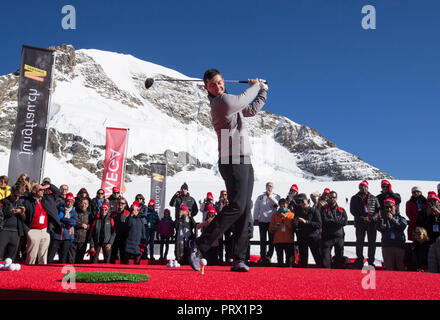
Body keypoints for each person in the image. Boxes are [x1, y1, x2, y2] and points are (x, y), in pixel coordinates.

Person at [189, 69, 268, 273]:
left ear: (223, 81)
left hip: (243, 158)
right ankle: (199, 246)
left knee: (244, 208)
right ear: (207, 88)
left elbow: (250, 110)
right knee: (237, 205)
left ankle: (239, 259)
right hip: (231, 158)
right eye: (212, 85)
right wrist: (256, 85)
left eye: (219, 82)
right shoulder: (221, 103)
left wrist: (263, 92)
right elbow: (242, 99)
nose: (218, 87)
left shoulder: (231, 105)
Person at [22, 182, 61, 264]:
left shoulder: (47, 199)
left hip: (45, 231)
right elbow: (22, 218)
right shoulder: (28, 202)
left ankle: (41, 273)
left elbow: (57, 192)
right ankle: (28, 273)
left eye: (43, 189)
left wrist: (49, 186)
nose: (42, 191)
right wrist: (27, 231)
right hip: (33, 231)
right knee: (31, 256)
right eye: (40, 189)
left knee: (43, 256)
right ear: (34, 191)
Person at [350, 180, 380, 268]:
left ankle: (371, 261)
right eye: (361, 186)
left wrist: (371, 218)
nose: (363, 188)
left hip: (372, 223)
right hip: (360, 223)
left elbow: (378, 210)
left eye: (364, 186)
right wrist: (362, 218)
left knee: (372, 243)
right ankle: (360, 259)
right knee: (359, 241)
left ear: (367, 187)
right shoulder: (355, 198)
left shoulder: (374, 198)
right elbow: (353, 210)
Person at [376, 198, 407, 271]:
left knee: (401, 267)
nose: (389, 209)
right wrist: (380, 220)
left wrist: (392, 219)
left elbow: (402, 226)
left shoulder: (400, 218)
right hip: (387, 245)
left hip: (399, 246)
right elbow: (378, 228)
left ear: (395, 207)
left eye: (391, 207)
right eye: (387, 207)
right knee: (389, 268)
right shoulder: (383, 218)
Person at [293, 193, 322, 268]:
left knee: (317, 256)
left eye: (302, 201)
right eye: (299, 202)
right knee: (303, 259)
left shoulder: (314, 211)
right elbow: (295, 225)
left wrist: (306, 222)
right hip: (302, 237)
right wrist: (296, 223)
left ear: (307, 200)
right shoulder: (298, 211)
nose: (301, 204)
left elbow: (319, 224)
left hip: (313, 237)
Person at [253, 182, 280, 264]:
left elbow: (277, 205)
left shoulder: (276, 196)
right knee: (263, 240)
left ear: (273, 187)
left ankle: (269, 256)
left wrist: (270, 196)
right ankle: (262, 256)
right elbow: (256, 208)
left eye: (271, 186)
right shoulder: (260, 197)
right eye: (268, 186)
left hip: (272, 222)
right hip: (262, 221)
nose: (269, 187)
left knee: (272, 240)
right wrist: (255, 218)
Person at [48, 192, 78, 264]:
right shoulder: (60, 209)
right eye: (68, 202)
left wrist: (63, 220)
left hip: (67, 237)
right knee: (50, 255)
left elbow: (73, 222)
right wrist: (64, 221)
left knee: (63, 256)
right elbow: (58, 219)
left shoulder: (74, 212)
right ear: (65, 201)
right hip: (57, 235)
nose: (69, 204)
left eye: (71, 202)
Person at [321, 191, 347, 269]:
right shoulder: (323, 209)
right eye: (330, 197)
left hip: (338, 237)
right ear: (328, 198)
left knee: (339, 260)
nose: (332, 199)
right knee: (325, 261)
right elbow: (324, 221)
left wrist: (333, 221)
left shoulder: (341, 210)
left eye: (334, 197)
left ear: (337, 198)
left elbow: (344, 222)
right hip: (327, 237)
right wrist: (337, 222)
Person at [0, 185, 26, 261]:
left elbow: (24, 219)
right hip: (4, 230)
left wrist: (21, 213)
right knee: (1, 254)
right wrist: (13, 211)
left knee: (11, 257)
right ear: (11, 193)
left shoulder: (20, 203)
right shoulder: (4, 202)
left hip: (16, 231)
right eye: (15, 195)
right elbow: (3, 214)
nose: (17, 198)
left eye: (19, 196)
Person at [269, 198, 295, 267]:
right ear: (279, 206)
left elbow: (292, 228)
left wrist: (286, 218)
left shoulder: (291, 215)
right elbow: (271, 229)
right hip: (278, 240)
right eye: (281, 206)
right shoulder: (275, 215)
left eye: (284, 206)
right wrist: (275, 227)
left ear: (287, 205)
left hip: (288, 240)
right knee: (280, 261)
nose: (283, 208)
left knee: (289, 261)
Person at [69, 197, 91, 263]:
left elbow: (93, 225)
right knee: (71, 259)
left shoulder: (89, 214)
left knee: (80, 260)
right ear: (79, 204)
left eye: (85, 203)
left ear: (88, 205)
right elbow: (70, 222)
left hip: (83, 240)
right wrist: (79, 225)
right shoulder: (74, 212)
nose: (84, 205)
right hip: (74, 239)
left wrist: (87, 226)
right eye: (82, 203)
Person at [110, 197, 130, 263]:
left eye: (122, 203)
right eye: (119, 203)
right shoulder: (113, 214)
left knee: (123, 258)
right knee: (112, 257)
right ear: (117, 204)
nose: (120, 204)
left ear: (125, 205)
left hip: (123, 238)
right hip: (114, 238)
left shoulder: (128, 214)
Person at [215, 190, 233, 262]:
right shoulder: (217, 204)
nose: (224, 196)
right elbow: (217, 211)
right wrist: (221, 203)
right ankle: (220, 257)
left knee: (228, 241)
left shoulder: (229, 203)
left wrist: (226, 203)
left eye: (225, 194)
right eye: (222, 195)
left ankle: (228, 256)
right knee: (220, 241)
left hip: (227, 225)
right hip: (220, 224)